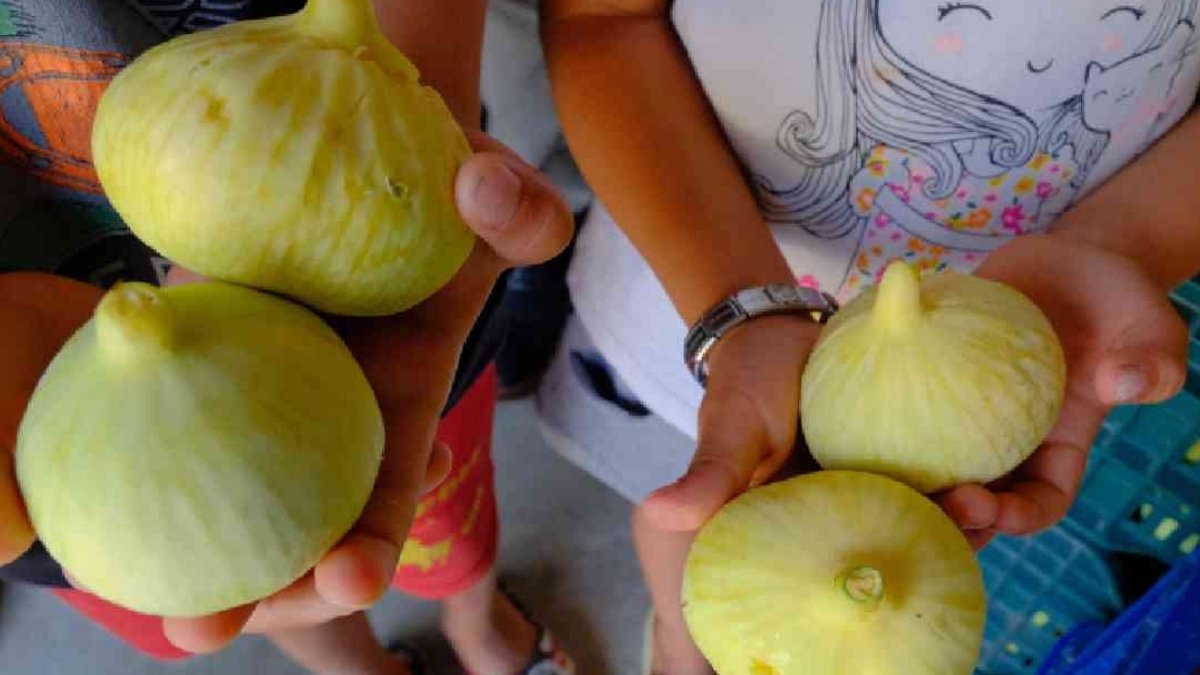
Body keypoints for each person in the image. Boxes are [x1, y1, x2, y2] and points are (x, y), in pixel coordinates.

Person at [539, 1, 1200, 672]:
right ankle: (685, 647)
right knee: (691, 501)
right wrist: (741, 308)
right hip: (693, 282)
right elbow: (601, 20)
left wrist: (1123, 239)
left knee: (717, 508)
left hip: (1021, 292)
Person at [0, 0, 578, 673]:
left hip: (384, 297)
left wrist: (401, 131)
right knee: (240, 576)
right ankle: (362, 666)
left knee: (435, 510)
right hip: (38, 426)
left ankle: (479, 623)